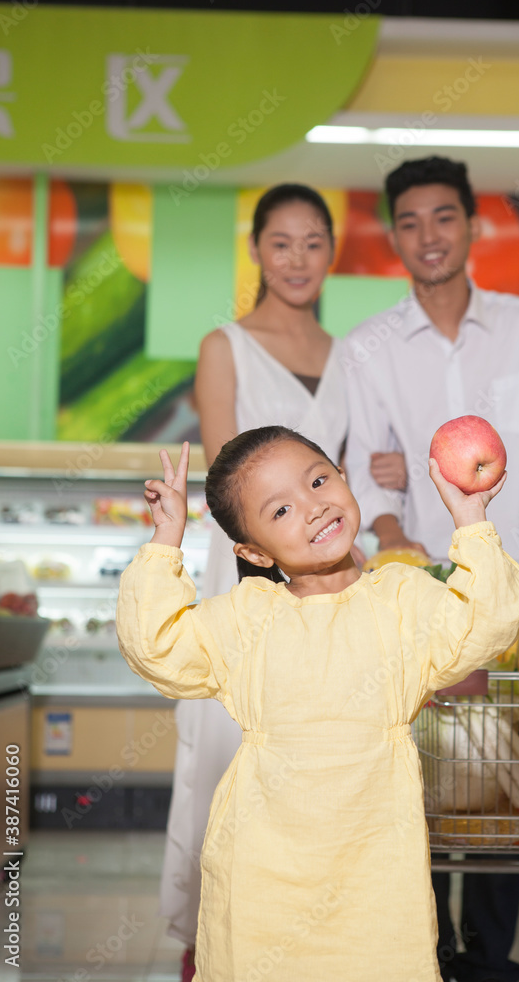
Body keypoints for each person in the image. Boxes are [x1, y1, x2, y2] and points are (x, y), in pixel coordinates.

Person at [117, 426, 519, 981]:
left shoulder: (402, 599)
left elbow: (488, 622)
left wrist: (472, 521)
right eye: (282, 509)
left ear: (343, 476)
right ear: (253, 551)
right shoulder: (247, 617)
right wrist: (166, 542)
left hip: (378, 881)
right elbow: (156, 646)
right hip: (260, 879)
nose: (313, 507)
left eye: (318, 480)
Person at [343, 155, 519, 982]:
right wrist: (387, 531)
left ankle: (487, 959)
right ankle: (421, 950)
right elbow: (369, 468)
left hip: (504, 584)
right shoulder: (368, 347)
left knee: (497, 781)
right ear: (394, 237)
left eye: (442, 217)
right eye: (407, 222)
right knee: (420, 777)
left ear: (473, 225)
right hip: (412, 592)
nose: (426, 236)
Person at [159, 184, 349, 980]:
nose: (297, 258)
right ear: (257, 252)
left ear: (331, 251)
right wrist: (272, 582)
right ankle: (212, 943)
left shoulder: (348, 353)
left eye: (312, 242)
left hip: (329, 585)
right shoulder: (224, 346)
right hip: (247, 574)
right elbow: (227, 484)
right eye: (281, 242)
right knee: (228, 748)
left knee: (316, 755)